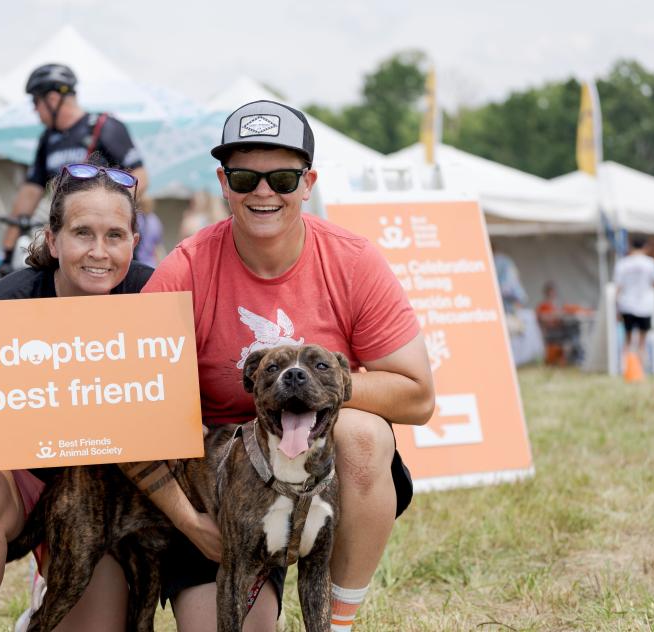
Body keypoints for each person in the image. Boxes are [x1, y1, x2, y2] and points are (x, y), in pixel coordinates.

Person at [135, 100, 435, 631]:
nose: (263, 192)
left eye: (282, 177)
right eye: (246, 177)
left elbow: (418, 396)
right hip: (220, 487)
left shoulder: (352, 260)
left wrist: (315, 388)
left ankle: (337, 623)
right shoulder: (186, 266)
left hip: (314, 471)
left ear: (308, 182)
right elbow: (133, 400)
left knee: (365, 434)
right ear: (224, 183)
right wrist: (191, 520)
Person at [0, 162, 153, 631]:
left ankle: (47, 591)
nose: (98, 252)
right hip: (18, 477)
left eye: (115, 235)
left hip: (103, 488)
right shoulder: (4, 306)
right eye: (81, 233)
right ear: (53, 240)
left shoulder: (154, 297)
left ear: (135, 239)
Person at [0, 63, 148, 275]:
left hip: (108, 245)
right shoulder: (48, 139)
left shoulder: (105, 126)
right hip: (70, 242)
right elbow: (30, 192)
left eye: (35, 101)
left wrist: (107, 213)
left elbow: (141, 177)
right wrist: (7, 249)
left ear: (52, 99)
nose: (34, 110)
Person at [614, 235, 654, 368]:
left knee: (627, 340)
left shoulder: (623, 263)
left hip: (626, 305)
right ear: (646, 247)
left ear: (630, 246)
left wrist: (616, 308)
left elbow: (618, 287)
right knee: (642, 341)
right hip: (645, 305)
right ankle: (640, 369)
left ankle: (625, 369)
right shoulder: (651, 263)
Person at [134, 195, 166, 267]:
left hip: (148, 264)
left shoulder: (155, 221)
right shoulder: (137, 218)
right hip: (138, 262)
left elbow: (158, 246)